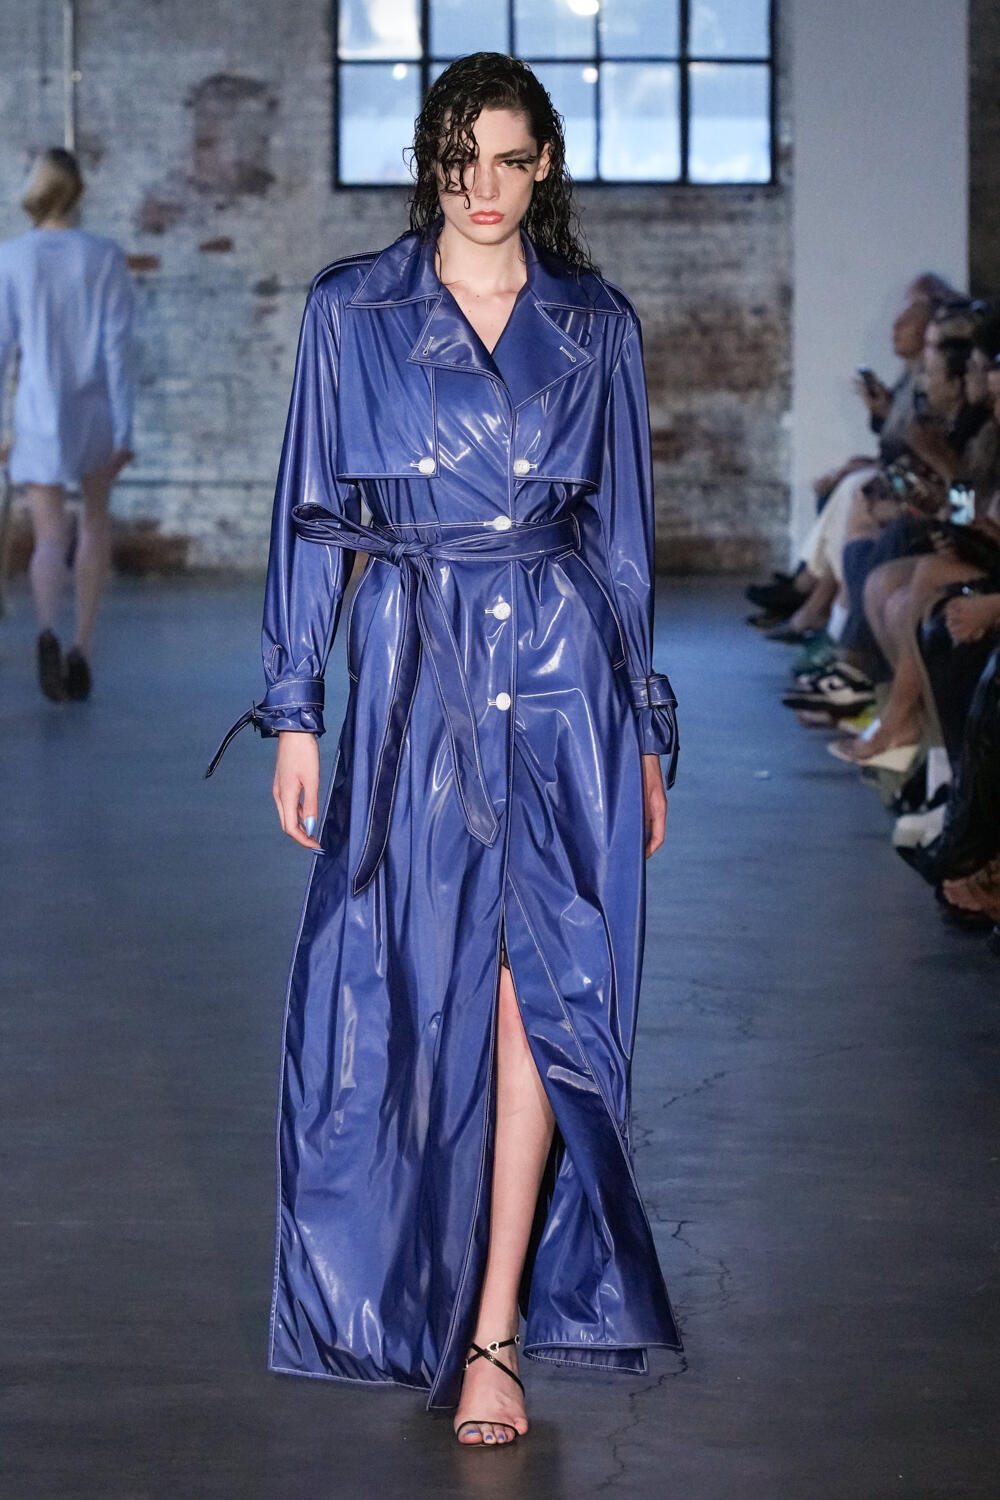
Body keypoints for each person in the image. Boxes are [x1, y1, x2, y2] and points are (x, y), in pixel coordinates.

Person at [208, 53, 681, 1447]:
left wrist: (647, 729)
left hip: (566, 687)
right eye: (459, 160)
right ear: (429, 163)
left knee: (544, 1000)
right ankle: (414, 1287)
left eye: (510, 160)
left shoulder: (594, 324)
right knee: (411, 990)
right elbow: (310, 511)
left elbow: (624, 541)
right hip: (415, 677)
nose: (484, 188)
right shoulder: (352, 310)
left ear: (546, 167)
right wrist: (296, 707)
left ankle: (494, 1331)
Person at [0, 147, 134, 701]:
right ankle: (81, 648)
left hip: (37, 412)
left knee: (48, 536)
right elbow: (118, 348)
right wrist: (125, 429)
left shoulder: (12, 257)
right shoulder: (103, 255)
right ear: (77, 191)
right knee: (94, 525)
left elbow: (2, 350)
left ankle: (47, 633)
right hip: (95, 410)